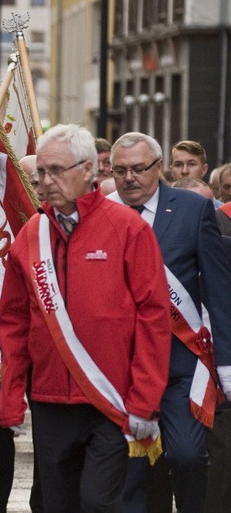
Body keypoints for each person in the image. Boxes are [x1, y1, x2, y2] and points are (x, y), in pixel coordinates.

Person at [0, 124, 172, 512]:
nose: (46, 181)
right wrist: (10, 399)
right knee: (57, 503)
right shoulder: (31, 234)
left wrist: (144, 399)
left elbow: (154, 318)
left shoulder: (128, 228)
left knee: (98, 502)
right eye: (42, 172)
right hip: (49, 400)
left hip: (109, 399)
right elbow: (13, 323)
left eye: (57, 170)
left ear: (90, 170)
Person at [107, 132, 231, 513]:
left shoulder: (193, 210)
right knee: (134, 469)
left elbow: (218, 292)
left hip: (179, 362)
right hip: (119, 367)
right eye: (120, 170)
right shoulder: (99, 211)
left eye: (139, 169)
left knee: (188, 456)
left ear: (158, 168)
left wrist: (226, 364)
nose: (129, 178)